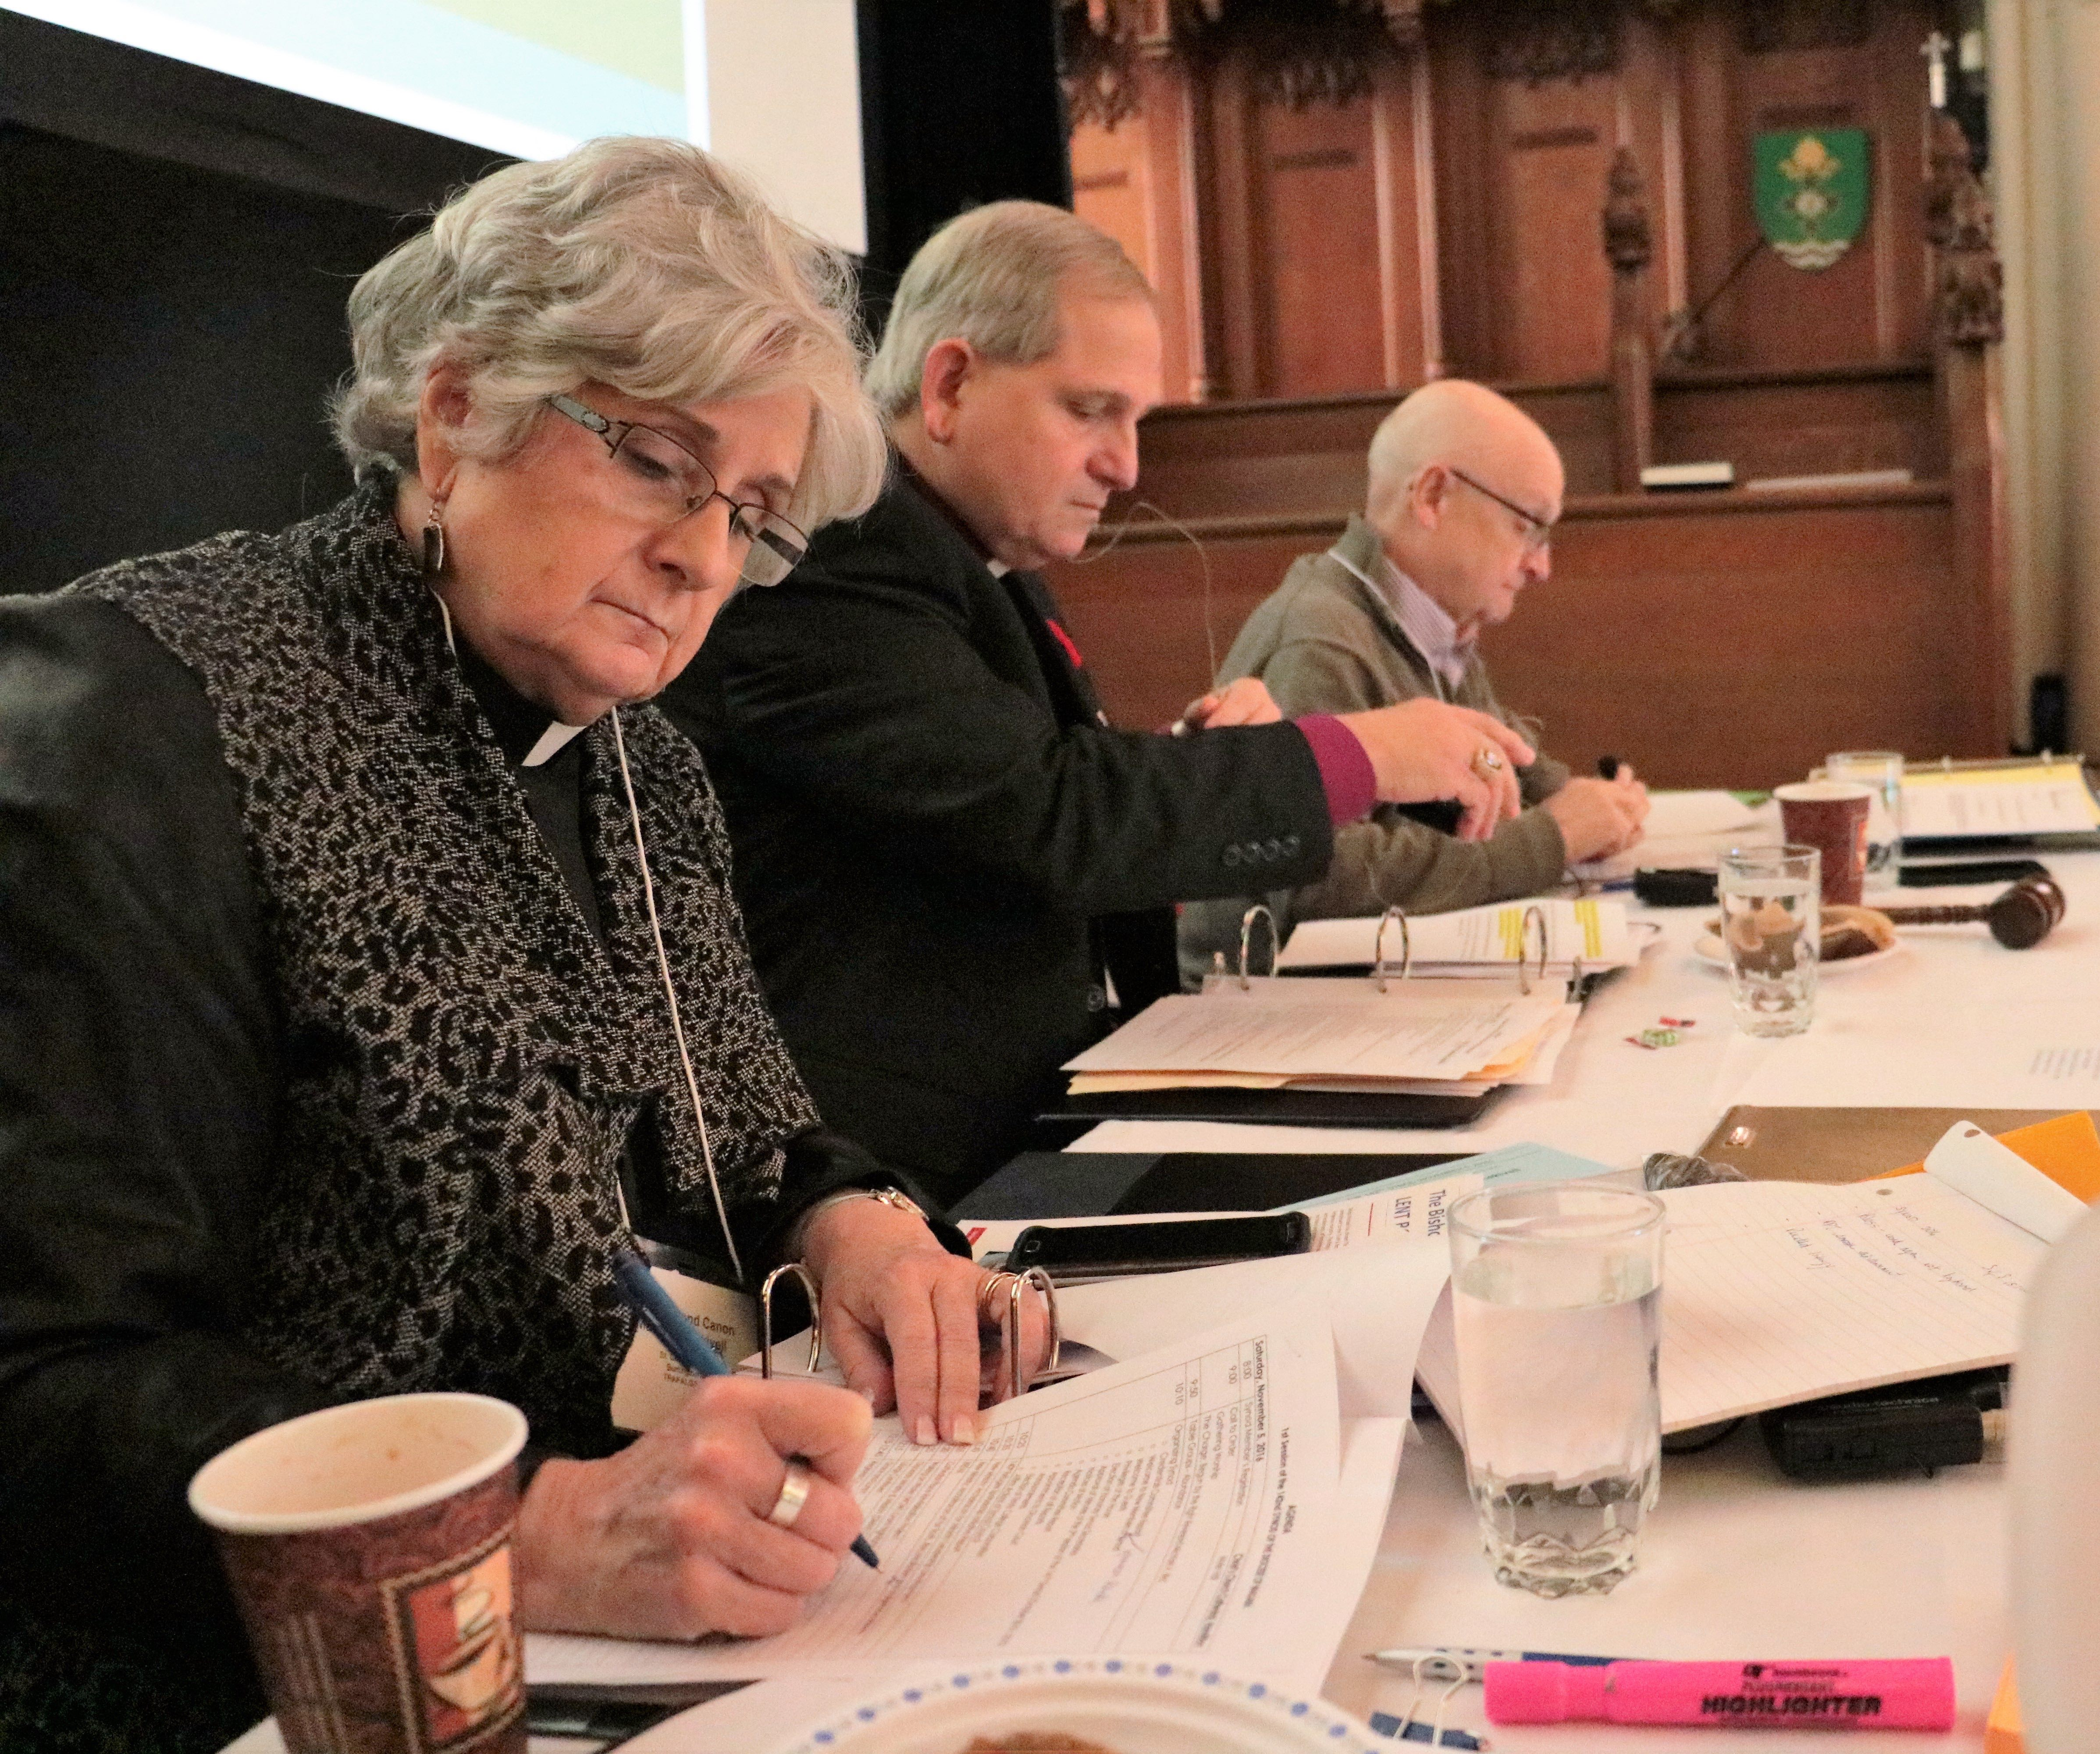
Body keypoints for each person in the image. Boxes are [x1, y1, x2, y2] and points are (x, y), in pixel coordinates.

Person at [0, 141, 1041, 1753]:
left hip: (622, 1671)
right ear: (458, 410)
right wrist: (538, 1534)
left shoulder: (643, 763)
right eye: (655, 461)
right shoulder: (147, 716)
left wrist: (856, 1226)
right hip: (245, 1699)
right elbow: (46, 1387)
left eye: (750, 513)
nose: (706, 558)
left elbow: (737, 1131)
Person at [666, 202, 1535, 1205]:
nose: (1127, 466)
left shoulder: (972, 557)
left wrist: (1200, 759)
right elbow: (1050, 814)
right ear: (950, 383)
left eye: (1136, 421)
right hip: (888, 1188)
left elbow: (992, 800)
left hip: (1022, 1123)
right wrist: (1350, 756)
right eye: (1091, 411)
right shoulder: (839, 546)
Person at [1180, 381, 1651, 975]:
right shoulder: (1320, 637)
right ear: (1433, 495)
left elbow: (1499, 763)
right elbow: (1317, 877)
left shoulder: (1432, 622)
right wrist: (1552, 840)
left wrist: (1576, 799)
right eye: (1528, 525)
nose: (1541, 565)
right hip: (1274, 1019)